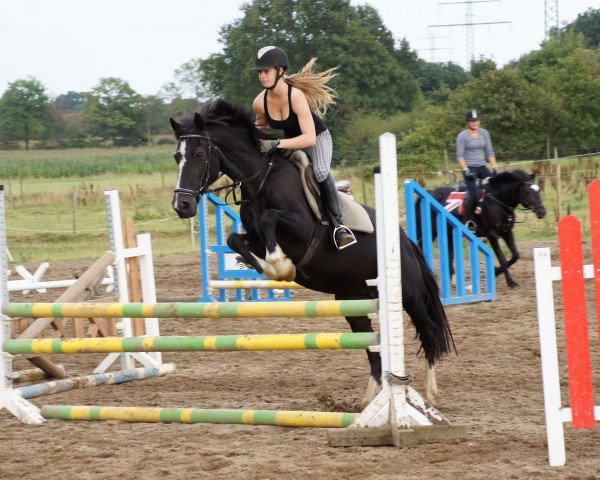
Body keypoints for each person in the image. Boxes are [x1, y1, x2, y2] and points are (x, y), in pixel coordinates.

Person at [251, 46, 357, 250]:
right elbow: (260, 127)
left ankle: (339, 227)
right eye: (259, 72)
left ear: (280, 71)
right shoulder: (259, 102)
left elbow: (309, 138)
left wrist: (276, 143)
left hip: (316, 138)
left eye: (266, 71)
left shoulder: (296, 96)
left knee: (319, 171)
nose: (262, 76)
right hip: (291, 142)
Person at [456, 109, 499, 231]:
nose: (475, 123)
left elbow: (489, 152)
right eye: (472, 121)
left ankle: (492, 217)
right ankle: (467, 220)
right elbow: (460, 156)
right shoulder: (462, 136)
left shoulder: (484, 133)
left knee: (494, 189)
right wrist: (465, 170)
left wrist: (495, 167)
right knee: (474, 193)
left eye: (477, 120)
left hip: (482, 167)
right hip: (469, 167)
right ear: (468, 122)